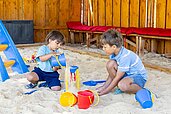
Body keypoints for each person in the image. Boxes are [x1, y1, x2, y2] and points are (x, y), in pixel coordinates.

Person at [97, 29, 147, 96]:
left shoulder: (125, 57)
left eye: (105, 47)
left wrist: (105, 91)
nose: (103, 49)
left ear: (114, 47)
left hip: (138, 77)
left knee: (122, 85)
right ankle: (119, 86)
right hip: (127, 74)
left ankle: (140, 89)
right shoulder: (113, 54)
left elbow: (117, 77)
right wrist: (104, 86)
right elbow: (111, 75)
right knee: (110, 64)